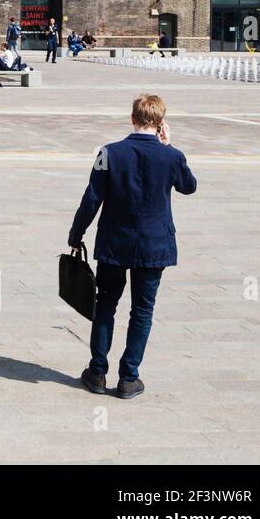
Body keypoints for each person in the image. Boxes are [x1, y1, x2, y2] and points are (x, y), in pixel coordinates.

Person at [69, 94, 197, 399]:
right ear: (161, 123)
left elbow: (91, 199)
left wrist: (76, 234)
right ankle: (129, 377)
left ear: (132, 118)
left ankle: (97, 372)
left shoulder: (107, 153)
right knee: (142, 311)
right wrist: (169, 147)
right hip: (155, 246)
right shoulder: (172, 155)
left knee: (106, 306)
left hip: (115, 243)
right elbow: (189, 186)